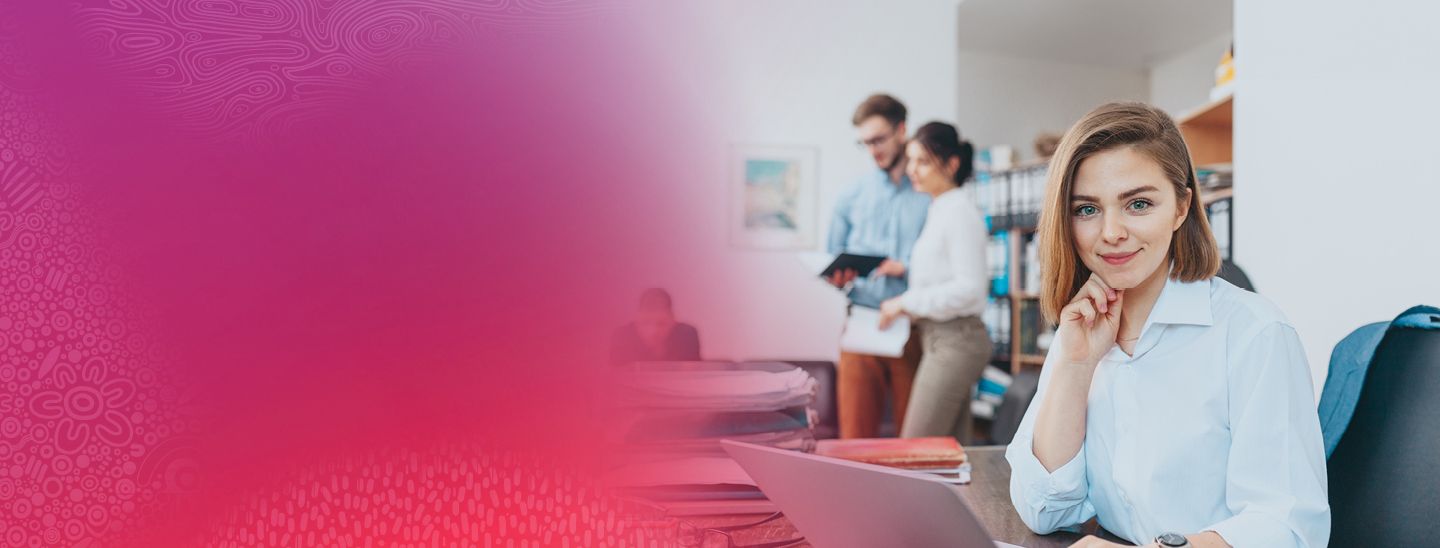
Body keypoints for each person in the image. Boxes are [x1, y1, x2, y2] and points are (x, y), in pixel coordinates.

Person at [1005, 103, 1329, 548]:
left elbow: (1287, 527)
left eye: (1138, 204)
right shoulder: (1081, 331)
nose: (1111, 232)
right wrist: (1076, 365)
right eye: (1086, 209)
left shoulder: (1256, 333)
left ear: (1181, 208)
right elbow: (1043, 509)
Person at [874, 121, 990, 444]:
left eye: (923, 161)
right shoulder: (940, 208)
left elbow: (970, 288)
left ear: (952, 164)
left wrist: (904, 302)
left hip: (957, 340)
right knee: (952, 453)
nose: (912, 169)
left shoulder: (960, 212)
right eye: (910, 160)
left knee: (915, 449)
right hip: (938, 338)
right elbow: (942, 274)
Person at [826, 93, 931, 438]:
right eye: (865, 143)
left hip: (911, 327)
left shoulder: (930, 195)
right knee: (854, 439)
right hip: (861, 323)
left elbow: (942, 263)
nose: (873, 150)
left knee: (914, 439)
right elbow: (832, 258)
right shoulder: (851, 195)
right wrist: (838, 277)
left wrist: (907, 268)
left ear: (902, 130)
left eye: (879, 139)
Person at [609, 288, 701, 366]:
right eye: (645, 323)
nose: (653, 331)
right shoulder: (621, 337)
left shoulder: (687, 336)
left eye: (661, 324)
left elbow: (693, 376)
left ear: (673, 320)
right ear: (637, 319)